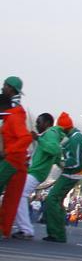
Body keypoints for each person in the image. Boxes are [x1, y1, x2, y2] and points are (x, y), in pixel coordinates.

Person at [12, 113, 64, 239]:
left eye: (39, 122)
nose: (36, 125)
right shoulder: (52, 134)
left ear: (47, 123)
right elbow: (56, 155)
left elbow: (54, 150)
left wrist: (38, 139)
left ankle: (26, 229)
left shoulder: (50, 133)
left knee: (19, 195)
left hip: (37, 172)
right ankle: (23, 228)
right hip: (37, 171)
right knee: (18, 195)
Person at [41, 113, 82, 243]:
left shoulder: (75, 138)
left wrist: (63, 163)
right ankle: (58, 232)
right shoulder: (78, 136)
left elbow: (78, 162)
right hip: (70, 174)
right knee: (57, 201)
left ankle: (57, 233)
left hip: (71, 174)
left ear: (64, 128)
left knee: (52, 199)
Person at [0, 76, 31, 238]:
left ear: (11, 89)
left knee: (11, 199)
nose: (2, 88)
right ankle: (3, 230)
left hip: (12, 160)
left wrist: (7, 151)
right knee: (11, 199)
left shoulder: (14, 115)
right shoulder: (11, 112)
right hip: (17, 161)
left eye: (4, 86)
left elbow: (26, 138)